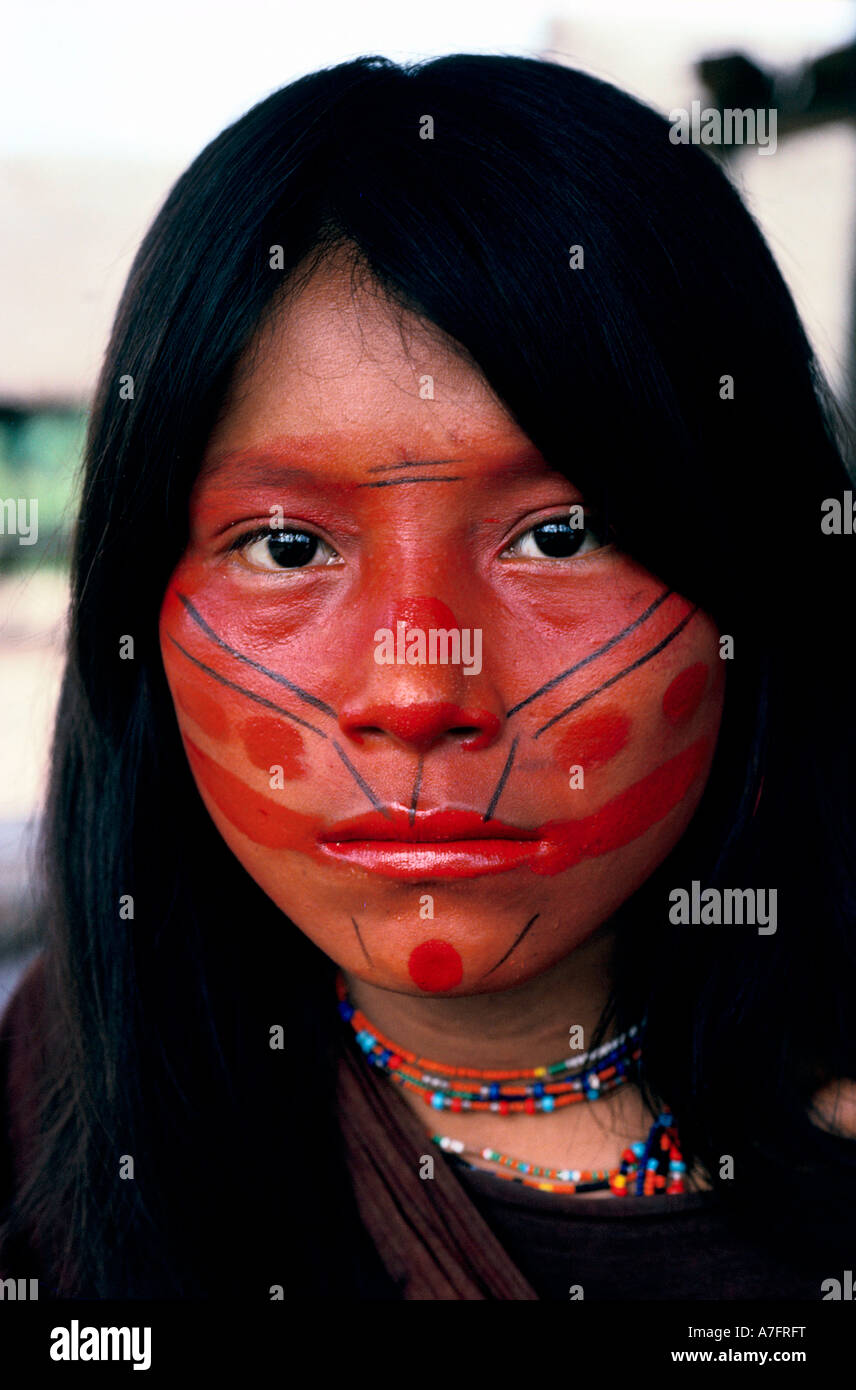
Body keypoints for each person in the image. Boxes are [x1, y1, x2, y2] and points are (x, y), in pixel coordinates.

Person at [1, 52, 854, 1301]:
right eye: (286, 547)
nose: (416, 692)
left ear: (758, 577)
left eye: (561, 535)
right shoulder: (58, 1107)